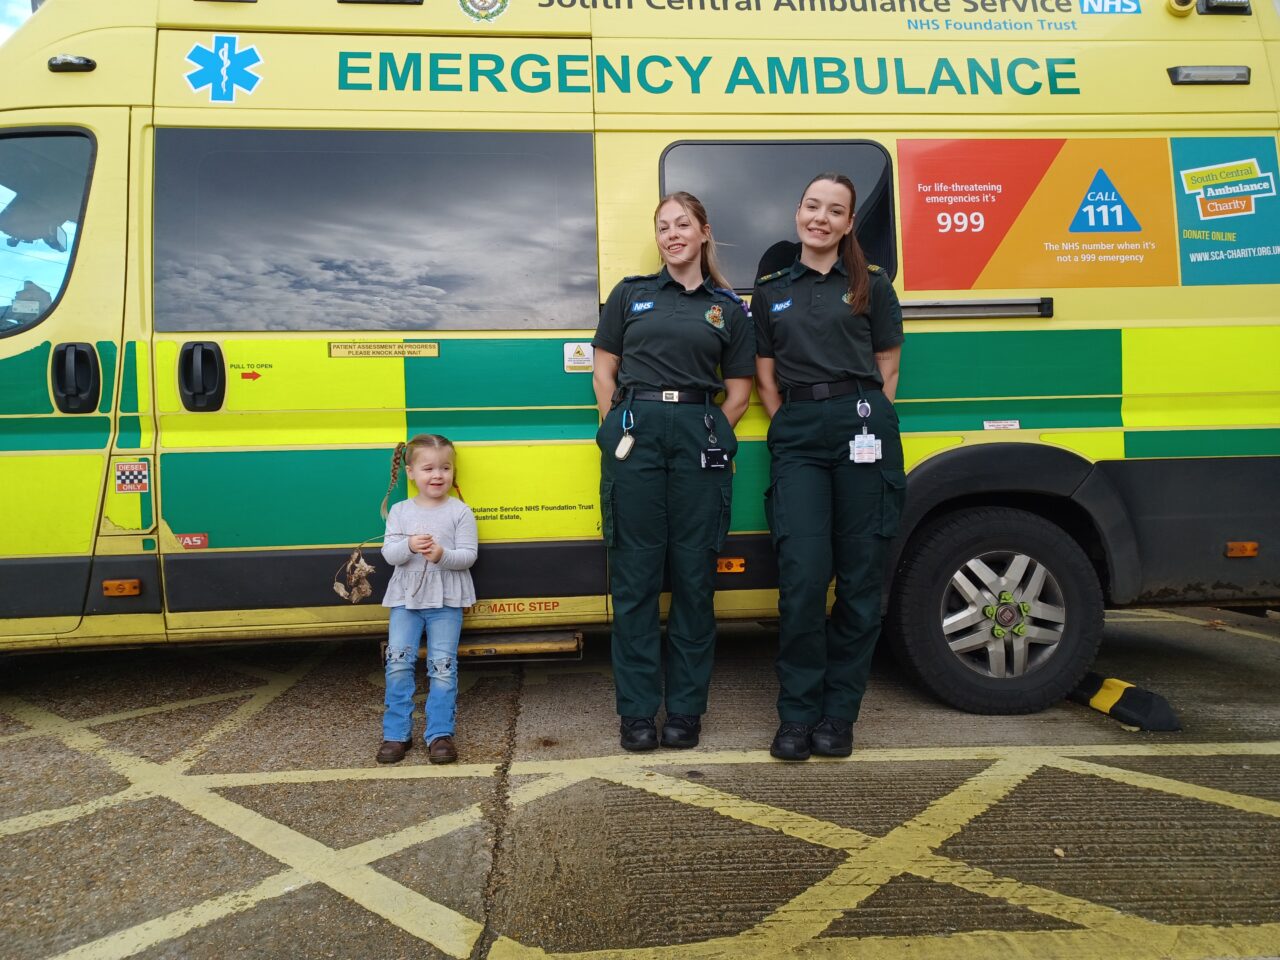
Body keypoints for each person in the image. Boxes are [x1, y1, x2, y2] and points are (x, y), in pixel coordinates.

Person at [592, 191, 755, 751]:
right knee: (635, 582)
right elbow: (604, 367)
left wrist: (714, 433)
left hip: (697, 437)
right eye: (663, 227)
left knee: (693, 581)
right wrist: (614, 425)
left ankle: (685, 710)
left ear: (704, 232)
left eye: (682, 224)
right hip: (635, 437)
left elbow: (739, 389)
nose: (672, 234)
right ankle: (637, 713)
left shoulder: (727, 308)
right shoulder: (631, 295)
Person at [753, 172, 906, 761]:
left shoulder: (872, 285)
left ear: (847, 224)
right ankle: (796, 716)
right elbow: (766, 371)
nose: (820, 218)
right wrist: (787, 421)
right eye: (811, 205)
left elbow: (887, 365)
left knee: (862, 581)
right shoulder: (771, 290)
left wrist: (865, 418)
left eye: (834, 210)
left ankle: (838, 717)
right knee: (803, 579)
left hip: (863, 425)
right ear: (798, 213)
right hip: (798, 434)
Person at [376, 434, 478, 765]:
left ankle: (439, 734)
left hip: (446, 601)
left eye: (445, 468)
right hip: (406, 601)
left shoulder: (460, 511)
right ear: (410, 473)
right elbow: (389, 553)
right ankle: (396, 735)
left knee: (443, 667)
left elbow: (468, 556)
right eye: (428, 468)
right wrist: (408, 546)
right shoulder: (400, 511)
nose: (437, 475)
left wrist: (441, 554)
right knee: (398, 663)